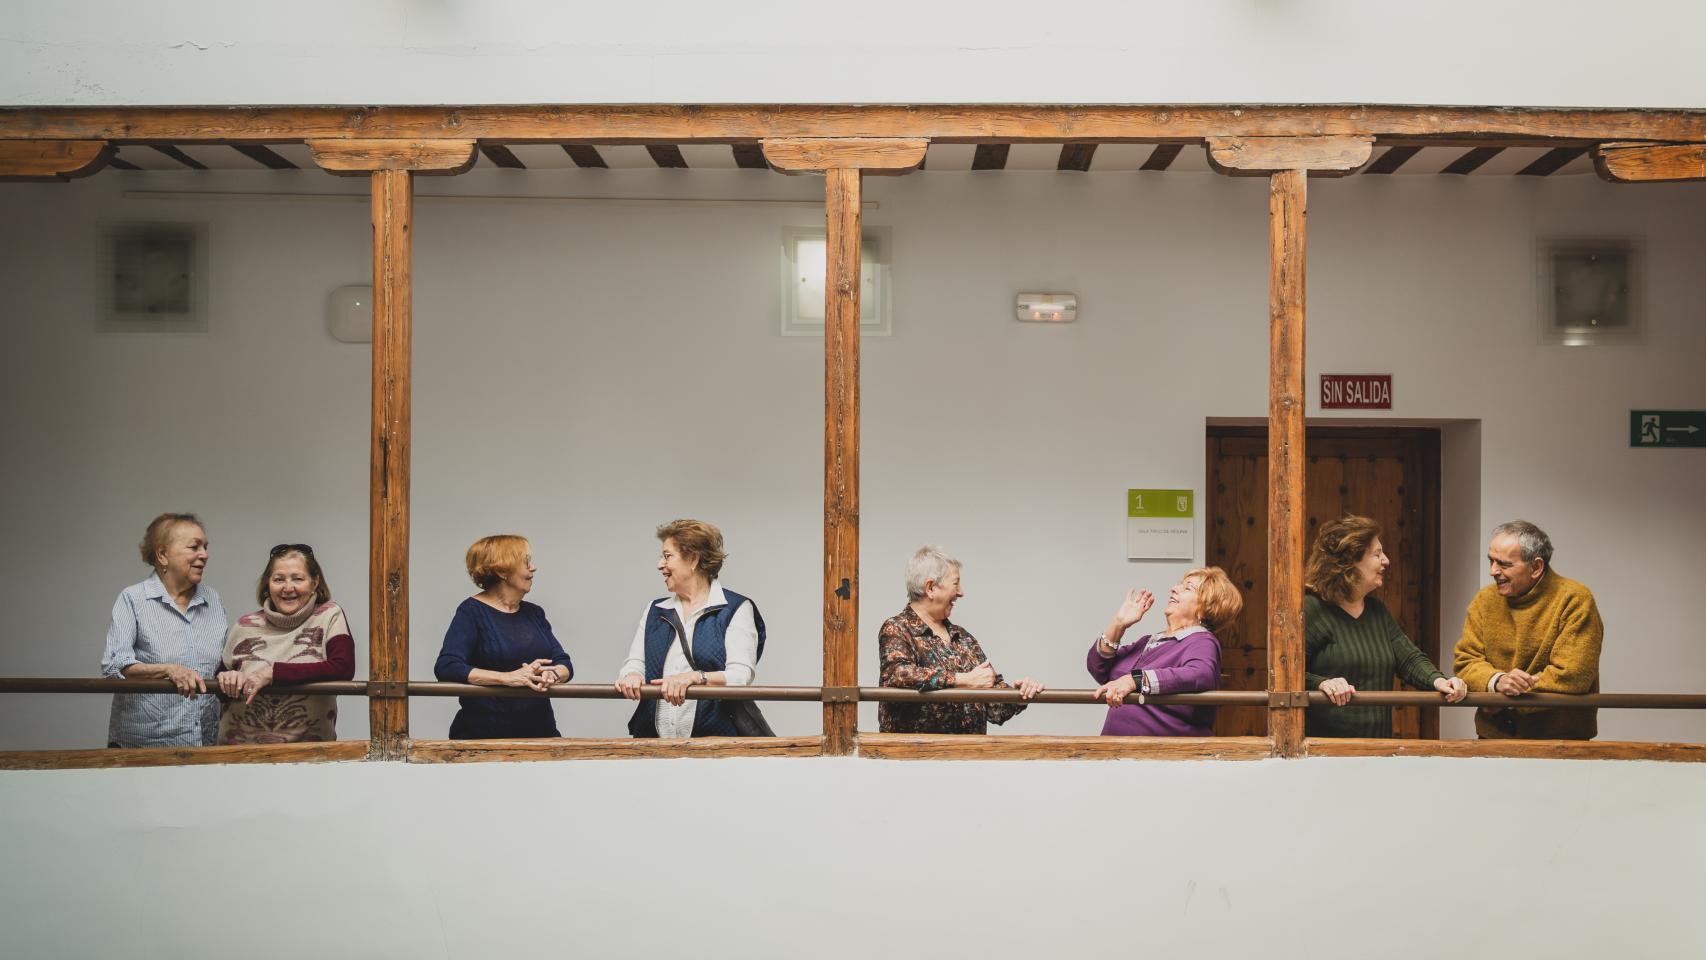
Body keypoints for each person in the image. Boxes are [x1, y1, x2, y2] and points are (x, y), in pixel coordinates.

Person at [1302, 516, 1467, 738]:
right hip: (1324, 753)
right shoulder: (1312, 609)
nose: (1386, 561)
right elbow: (1288, 676)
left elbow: (1409, 659)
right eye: (1377, 554)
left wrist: (1440, 681)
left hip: (1378, 749)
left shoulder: (1377, 611)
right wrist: (1322, 683)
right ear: (1349, 562)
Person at [1453, 520, 1604, 739]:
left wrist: (1504, 698)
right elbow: (1466, 661)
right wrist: (1497, 681)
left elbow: (1572, 675)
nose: (1492, 571)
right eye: (1491, 561)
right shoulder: (1484, 600)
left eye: (1503, 564)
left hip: (1562, 743)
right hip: (1494, 739)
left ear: (1536, 567)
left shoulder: (1575, 599)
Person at [617, 519, 765, 737]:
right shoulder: (654, 610)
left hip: (714, 746)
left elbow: (740, 675)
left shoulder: (735, 609)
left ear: (693, 559)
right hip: (652, 743)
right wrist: (631, 675)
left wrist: (696, 677)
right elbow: (636, 662)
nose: (660, 565)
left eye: (668, 556)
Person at [877, 545, 1044, 734]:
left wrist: (1019, 694)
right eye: (956, 584)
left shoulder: (963, 638)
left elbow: (995, 709)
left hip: (969, 756)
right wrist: (963, 680)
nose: (961, 592)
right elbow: (898, 675)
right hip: (917, 758)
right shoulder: (898, 628)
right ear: (930, 588)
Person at [101, 513, 227, 748]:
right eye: (194, 547)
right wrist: (168, 670)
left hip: (205, 743)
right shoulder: (133, 599)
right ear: (162, 555)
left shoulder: (213, 599)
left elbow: (223, 664)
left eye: (205, 547)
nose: (204, 555)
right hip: (144, 745)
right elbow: (114, 665)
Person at [434, 535, 573, 739]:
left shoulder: (534, 613)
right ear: (501, 571)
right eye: (526, 563)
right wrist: (507, 678)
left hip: (541, 736)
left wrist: (552, 674)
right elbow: (447, 666)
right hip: (483, 740)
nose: (533, 568)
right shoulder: (471, 611)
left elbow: (564, 663)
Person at [214, 544, 356, 744]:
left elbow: (343, 667)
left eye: (298, 578)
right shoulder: (245, 625)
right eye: (279, 579)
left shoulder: (329, 615)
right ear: (267, 585)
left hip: (308, 755)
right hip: (240, 755)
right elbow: (219, 684)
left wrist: (274, 674)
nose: (288, 588)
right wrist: (227, 678)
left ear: (315, 583)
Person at [1086, 567, 1243, 736]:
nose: (1174, 589)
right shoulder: (1148, 641)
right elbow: (1100, 669)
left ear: (1206, 609)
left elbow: (1201, 674)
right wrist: (1118, 624)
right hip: (1115, 751)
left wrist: (1135, 680)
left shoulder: (1202, 641)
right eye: (1179, 585)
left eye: (1188, 587)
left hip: (1161, 755)